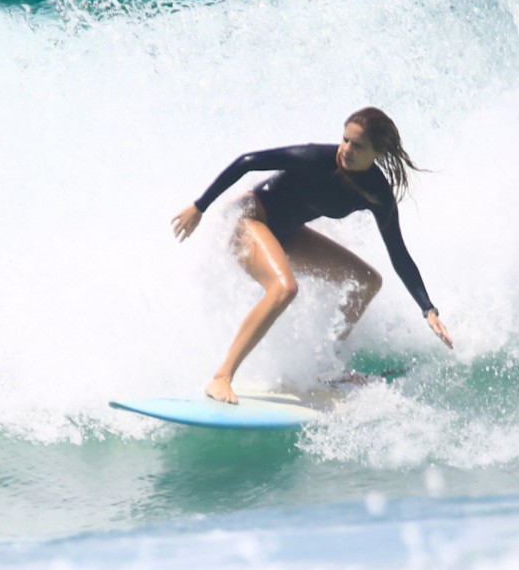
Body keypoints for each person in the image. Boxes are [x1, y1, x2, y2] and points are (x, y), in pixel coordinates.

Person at [172, 107, 453, 404]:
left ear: (377, 151)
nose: (346, 150)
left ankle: (323, 368)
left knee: (366, 281)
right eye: (345, 140)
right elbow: (247, 162)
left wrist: (427, 308)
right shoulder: (314, 158)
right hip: (247, 219)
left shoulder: (377, 192)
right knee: (284, 289)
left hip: (286, 232)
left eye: (357, 146)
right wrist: (199, 207)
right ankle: (221, 377)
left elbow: (398, 252)